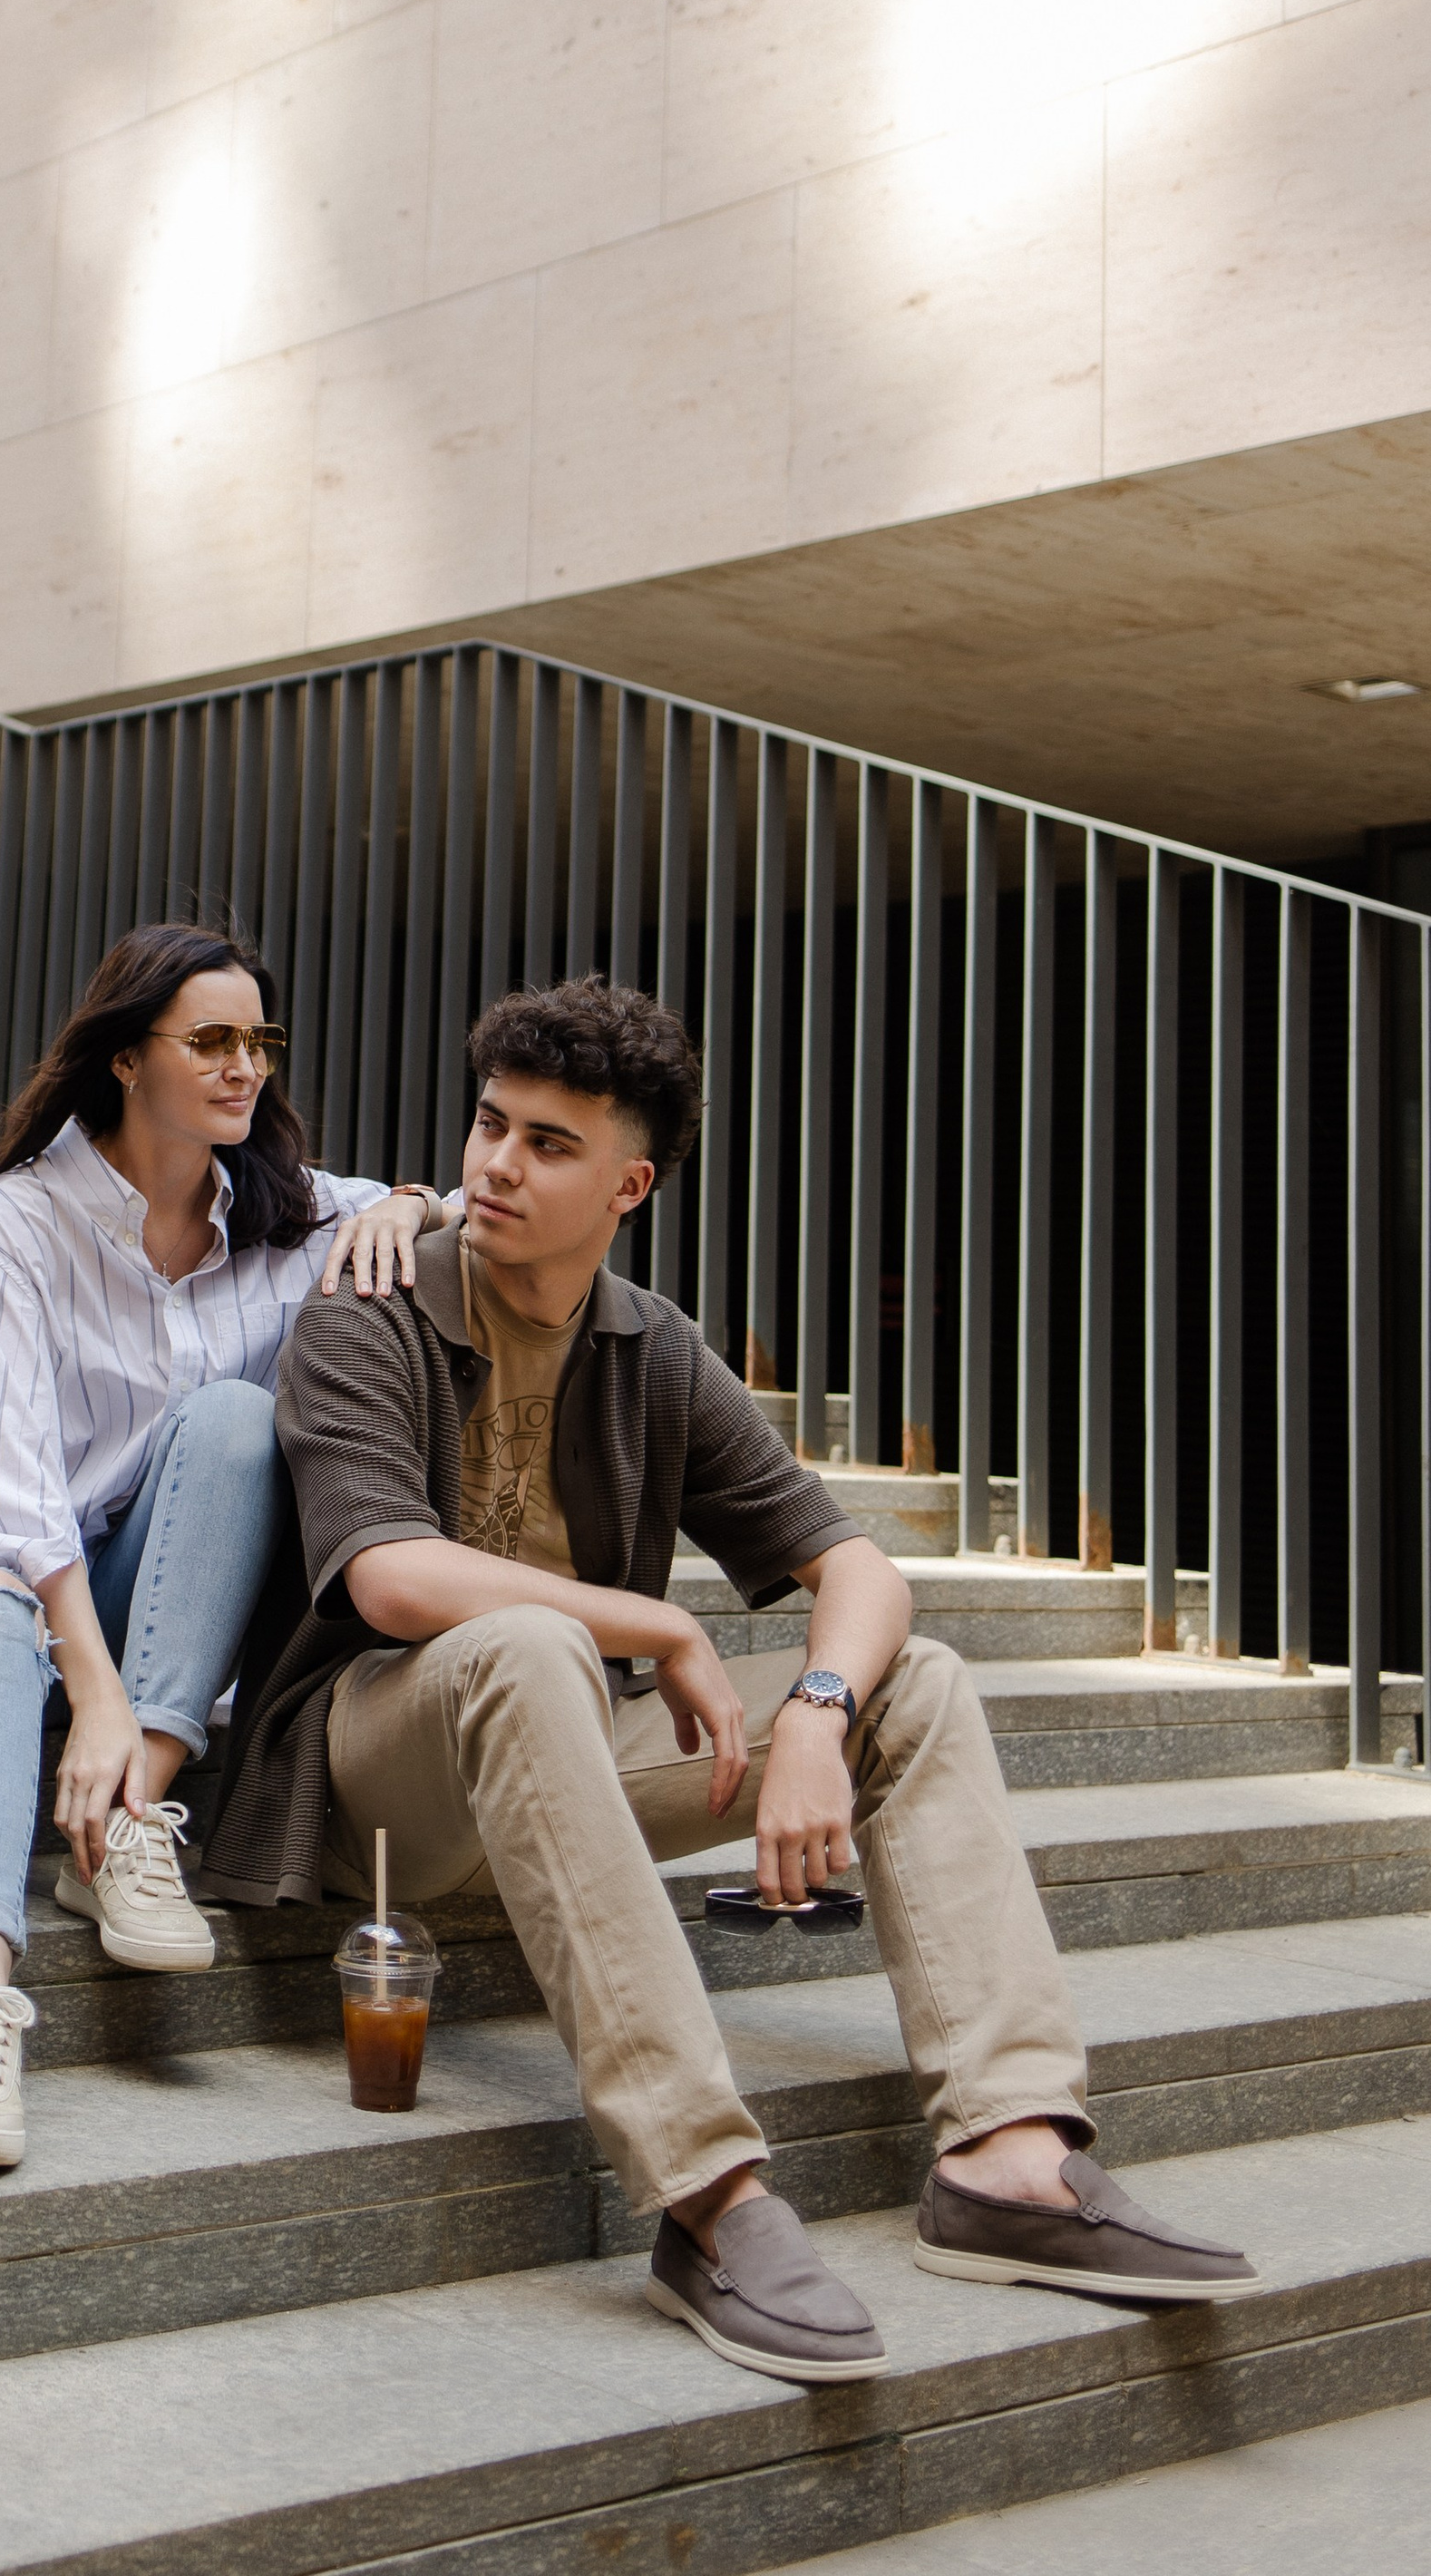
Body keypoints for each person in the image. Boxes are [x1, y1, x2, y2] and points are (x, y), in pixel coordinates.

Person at [201, 975, 1258, 2386]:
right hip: (373, 1784)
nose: (498, 1164)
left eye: (550, 1144)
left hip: (566, 1754)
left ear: (628, 1185)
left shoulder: (650, 1345)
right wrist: (657, 1623)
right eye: (491, 1124)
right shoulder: (374, 1304)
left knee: (913, 1679)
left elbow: (860, 1570)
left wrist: (817, 1715)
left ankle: (1007, 2160)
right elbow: (391, 1576)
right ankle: (706, 2196)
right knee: (531, 1644)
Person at [0, 922, 445, 2173]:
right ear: (126, 1058)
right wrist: (94, 1690)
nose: (246, 1067)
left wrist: (405, 1205)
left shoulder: (283, 1217)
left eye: (259, 1041)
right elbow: (4, 1504)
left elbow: (428, 1204)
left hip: (130, 1616)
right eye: (211, 1041)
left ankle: (133, 1819)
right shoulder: (15, 1230)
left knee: (236, 1420)